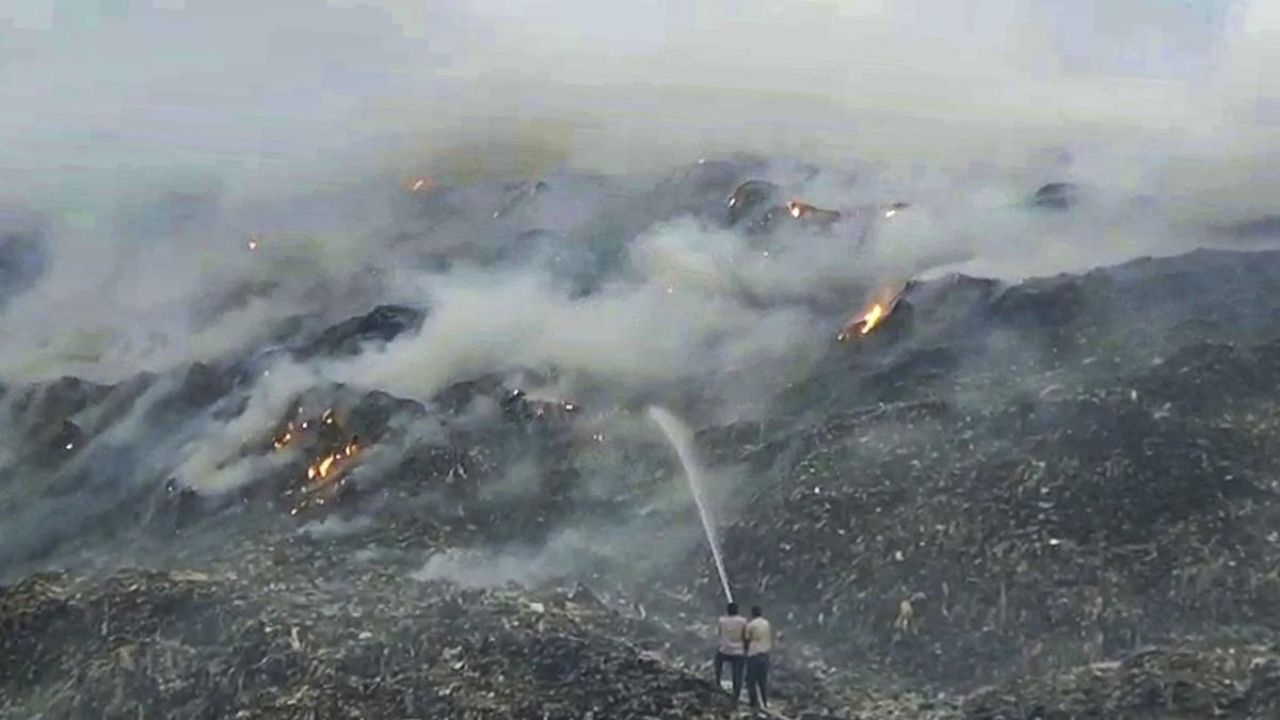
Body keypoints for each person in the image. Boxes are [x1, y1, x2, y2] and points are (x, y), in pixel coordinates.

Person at [714, 602, 747, 702]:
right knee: (737, 673)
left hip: (724, 650)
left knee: (717, 662)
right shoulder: (743, 621)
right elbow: (745, 636)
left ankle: (717, 682)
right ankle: (736, 694)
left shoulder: (722, 620)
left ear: (727, 611)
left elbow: (719, 634)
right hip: (738, 651)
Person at [744, 605, 772, 709]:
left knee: (750, 680)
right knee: (762, 680)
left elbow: (746, 640)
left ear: (752, 614)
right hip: (765, 654)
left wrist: (745, 652)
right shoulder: (766, 623)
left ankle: (753, 703)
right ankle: (764, 701)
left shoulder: (750, 625)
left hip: (754, 655)